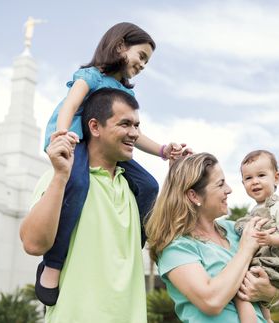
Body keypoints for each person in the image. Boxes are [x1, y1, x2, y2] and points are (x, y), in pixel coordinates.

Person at [37, 22, 186, 306]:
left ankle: (132, 244)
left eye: (147, 61)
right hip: (75, 139)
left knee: (148, 185)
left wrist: (164, 150)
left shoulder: (124, 94)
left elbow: (133, 134)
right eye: (141, 56)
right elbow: (70, 104)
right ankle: (53, 264)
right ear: (120, 47)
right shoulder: (90, 76)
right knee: (78, 183)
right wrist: (63, 135)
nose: (143, 64)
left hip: (107, 145)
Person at [20, 88, 150, 322]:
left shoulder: (134, 190)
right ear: (94, 127)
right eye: (125, 124)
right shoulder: (61, 179)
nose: (134, 133)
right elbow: (32, 243)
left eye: (137, 125)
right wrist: (60, 176)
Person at [145, 153, 279, 322]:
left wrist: (269, 292)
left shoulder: (236, 229)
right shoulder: (176, 247)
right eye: (220, 184)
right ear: (194, 196)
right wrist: (246, 249)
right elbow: (211, 301)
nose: (229, 189)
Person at [234, 150, 279, 322]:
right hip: (262, 259)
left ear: (276, 178)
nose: (255, 181)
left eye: (261, 175)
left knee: (243, 291)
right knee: (258, 299)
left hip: (275, 259)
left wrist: (271, 240)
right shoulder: (254, 210)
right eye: (248, 178)